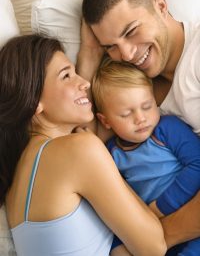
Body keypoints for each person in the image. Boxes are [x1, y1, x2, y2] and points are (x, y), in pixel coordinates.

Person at [0, 34, 166, 256]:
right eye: (66, 75)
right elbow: (154, 247)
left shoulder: (18, 173)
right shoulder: (79, 150)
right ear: (34, 101)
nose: (84, 83)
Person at [77, 0, 200, 252]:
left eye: (131, 31)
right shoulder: (137, 94)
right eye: (111, 46)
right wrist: (89, 56)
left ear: (160, 5)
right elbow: (83, 142)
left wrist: (152, 240)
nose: (128, 54)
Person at [92, 57, 200, 255]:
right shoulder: (110, 154)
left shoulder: (167, 128)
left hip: (190, 213)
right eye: (126, 114)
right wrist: (117, 246)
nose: (140, 118)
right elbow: (117, 206)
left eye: (147, 106)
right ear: (105, 121)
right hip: (153, 232)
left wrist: (161, 207)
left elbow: (197, 165)